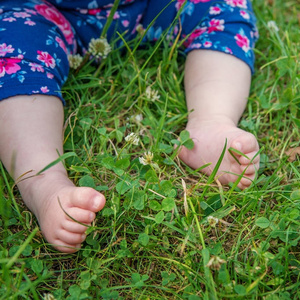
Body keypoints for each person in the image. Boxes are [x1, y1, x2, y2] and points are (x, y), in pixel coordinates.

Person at [0, 0, 260, 253]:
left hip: (150, 6)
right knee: (11, 56)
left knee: (225, 8)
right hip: (41, 10)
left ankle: (212, 120)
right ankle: (43, 180)